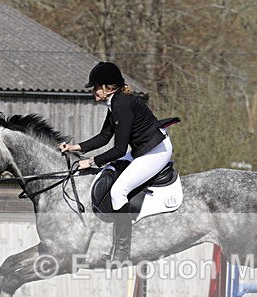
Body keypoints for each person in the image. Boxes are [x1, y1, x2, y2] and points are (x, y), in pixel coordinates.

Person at [59, 61, 173, 262]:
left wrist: (92, 161)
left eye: (96, 87)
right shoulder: (115, 102)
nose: (93, 91)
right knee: (110, 173)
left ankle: (121, 252)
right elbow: (104, 136)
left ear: (108, 88)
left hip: (155, 151)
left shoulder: (121, 105)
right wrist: (74, 148)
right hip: (142, 149)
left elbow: (119, 149)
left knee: (118, 191)